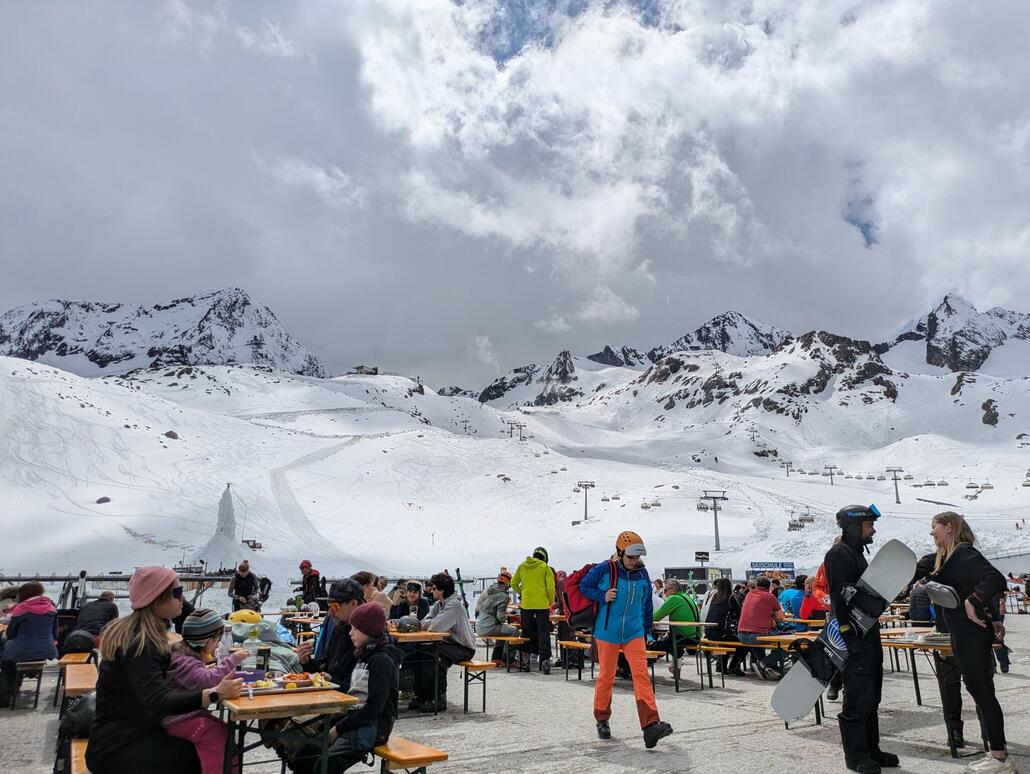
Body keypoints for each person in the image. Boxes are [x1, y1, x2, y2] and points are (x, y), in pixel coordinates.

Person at [86, 567, 243, 774]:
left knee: (216, 744)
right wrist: (214, 694)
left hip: (127, 736)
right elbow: (157, 702)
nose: (183, 598)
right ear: (157, 599)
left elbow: (194, 618)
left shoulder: (144, 630)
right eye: (177, 593)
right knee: (213, 753)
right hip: (119, 747)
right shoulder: (141, 643)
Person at [921, 512, 1013, 773]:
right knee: (976, 688)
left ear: (949, 527)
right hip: (962, 631)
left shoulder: (963, 552)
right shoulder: (949, 557)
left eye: (934, 527)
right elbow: (971, 583)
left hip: (971, 632)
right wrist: (992, 615)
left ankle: (999, 757)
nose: (932, 532)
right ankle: (996, 753)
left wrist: (973, 601)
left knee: (982, 690)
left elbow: (995, 579)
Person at [580, 531, 673, 749]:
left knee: (641, 676)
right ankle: (602, 718)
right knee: (607, 676)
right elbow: (584, 586)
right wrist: (602, 596)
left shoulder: (642, 574)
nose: (634, 561)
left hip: (634, 633)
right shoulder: (606, 568)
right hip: (607, 633)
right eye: (630, 557)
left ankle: (650, 726)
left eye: (637, 557)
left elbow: (647, 605)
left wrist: (647, 631)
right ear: (620, 553)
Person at [825, 504, 897, 774]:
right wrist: (846, 635)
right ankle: (856, 757)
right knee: (856, 699)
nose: (873, 530)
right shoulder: (838, 554)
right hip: (854, 637)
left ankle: (872, 750)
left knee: (871, 697)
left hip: (868, 634)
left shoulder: (855, 553)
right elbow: (838, 596)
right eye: (869, 525)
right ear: (854, 527)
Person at [307, 602, 404, 773]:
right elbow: (354, 690)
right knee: (307, 752)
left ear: (368, 630)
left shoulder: (381, 660)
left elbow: (373, 708)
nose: (350, 633)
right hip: (354, 719)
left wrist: (338, 729)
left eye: (355, 629)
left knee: (323, 765)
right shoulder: (364, 654)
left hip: (373, 727)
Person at [163, 609, 248, 774]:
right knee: (220, 740)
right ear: (205, 640)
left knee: (224, 730)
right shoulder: (186, 662)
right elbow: (205, 681)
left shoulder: (182, 656)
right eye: (216, 639)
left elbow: (197, 677)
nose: (217, 644)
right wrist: (233, 660)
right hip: (180, 720)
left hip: (181, 717)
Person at [407, 572, 476, 713]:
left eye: (434, 588)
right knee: (419, 652)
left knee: (433, 655)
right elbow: (423, 622)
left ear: (442, 590)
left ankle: (438, 699)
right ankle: (423, 696)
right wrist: (434, 621)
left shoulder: (454, 605)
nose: (431, 591)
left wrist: (433, 622)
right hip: (449, 643)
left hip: (463, 647)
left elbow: (434, 627)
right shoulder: (440, 604)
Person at [297, 579, 366, 691]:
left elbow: (360, 690)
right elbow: (324, 671)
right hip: (334, 697)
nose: (330, 612)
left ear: (353, 603)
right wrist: (307, 662)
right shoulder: (340, 629)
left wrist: (331, 681)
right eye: (329, 606)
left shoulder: (368, 636)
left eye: (335, 606)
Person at [0, 581, 59, 705]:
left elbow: (10, 634)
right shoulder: (52, 608)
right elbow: (55, 633)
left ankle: (7, 694)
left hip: (23, 651)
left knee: (5, 659)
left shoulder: (21, 609)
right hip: (46, 650)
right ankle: (21, 679)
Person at [511, 547, 556, 674]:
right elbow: (551, 587)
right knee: (543, 632)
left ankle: (525, 662)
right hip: (542, 605)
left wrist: (522, 593)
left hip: (526, 605)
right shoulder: (545, 568)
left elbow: (513, 583)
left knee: (527, 632)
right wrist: (550, 600)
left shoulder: (522, 566)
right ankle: (545, 662)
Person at [736, 577, 785, 680]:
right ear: (769, 587)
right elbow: (781, 617)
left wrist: (769, 617)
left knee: (757, 642)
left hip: (741, 634)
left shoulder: (749, 594)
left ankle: (765, 668)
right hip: (756, 635)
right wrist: (772, 618)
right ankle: (762, 664)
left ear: (756, 585)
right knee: (787, 644)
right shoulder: (769, 596)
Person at [474, 570, 519, 664]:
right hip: (488, 627)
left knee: (502, 631)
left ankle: (496, 658)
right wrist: (505, 618)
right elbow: (500, 617)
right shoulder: (503, 596)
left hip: (478, 626)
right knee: (514, 631)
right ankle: (508, 660)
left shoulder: (489, 591)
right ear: (508, 583)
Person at [704, 577, 746, 675]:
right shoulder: (730, 597)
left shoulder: (714, 596)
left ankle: (721, 666)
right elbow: (739, 613)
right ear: (729, 587)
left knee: (727, 641)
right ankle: (733, 666)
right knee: (744, 645)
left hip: (708, 632)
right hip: (721, 633)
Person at [651, 579, 702, 660]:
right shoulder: (686, 597)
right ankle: (676, 666)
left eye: (665, 590)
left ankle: (636, 670)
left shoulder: (674, 598)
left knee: (653, 648)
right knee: (670, 646)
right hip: (696, 637)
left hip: (683, 638)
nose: (664, 592)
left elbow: (655, 617)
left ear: (673, 590)